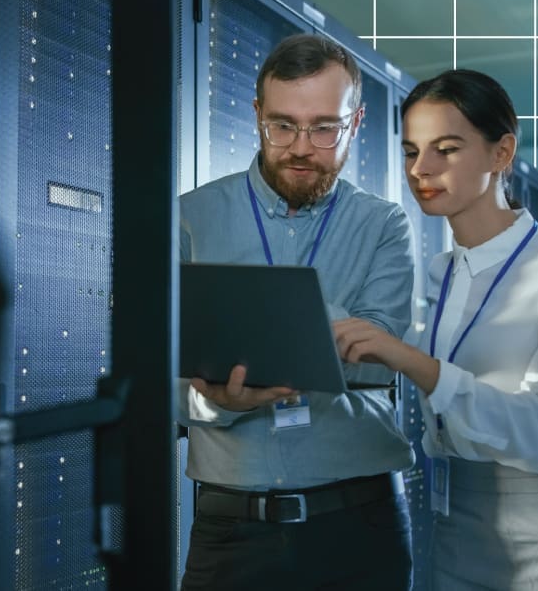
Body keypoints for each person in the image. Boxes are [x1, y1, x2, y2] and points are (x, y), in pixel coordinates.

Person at [334, 69, 538, 590]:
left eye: (447, 149)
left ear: (501, 153)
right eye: (411, 151)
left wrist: (408, 359)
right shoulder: (442, 273)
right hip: (457, 523)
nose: (421, 169)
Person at [178, 33, 416, 590]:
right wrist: (215, 403)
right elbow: (154, 377)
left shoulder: (384, 225)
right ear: (257, 114)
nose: (301, 147)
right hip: (231, 531)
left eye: (324, 128)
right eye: (282, 126)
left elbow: (377, 350)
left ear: (356, 123)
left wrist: (263, 324)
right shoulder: (188, 219)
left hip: (360, 523)